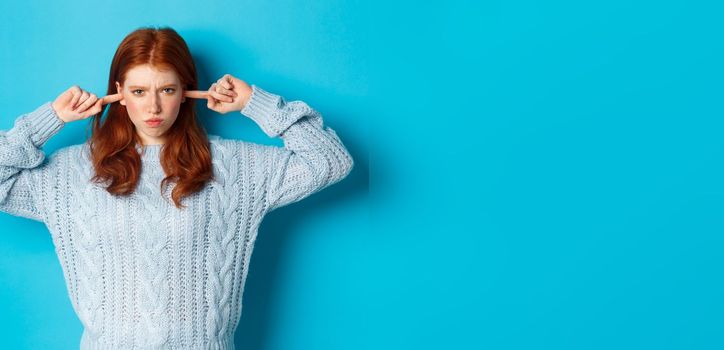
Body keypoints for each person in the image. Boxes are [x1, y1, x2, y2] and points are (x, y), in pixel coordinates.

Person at [0, 26, 353, 349]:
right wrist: (50, 119)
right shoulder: (73, 171)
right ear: (119, 93)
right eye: (139, 91)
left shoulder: (234, 166)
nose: (153, 107)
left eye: (166, 90)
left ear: (185, 91)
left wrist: (253, 104)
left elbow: (330, 161)